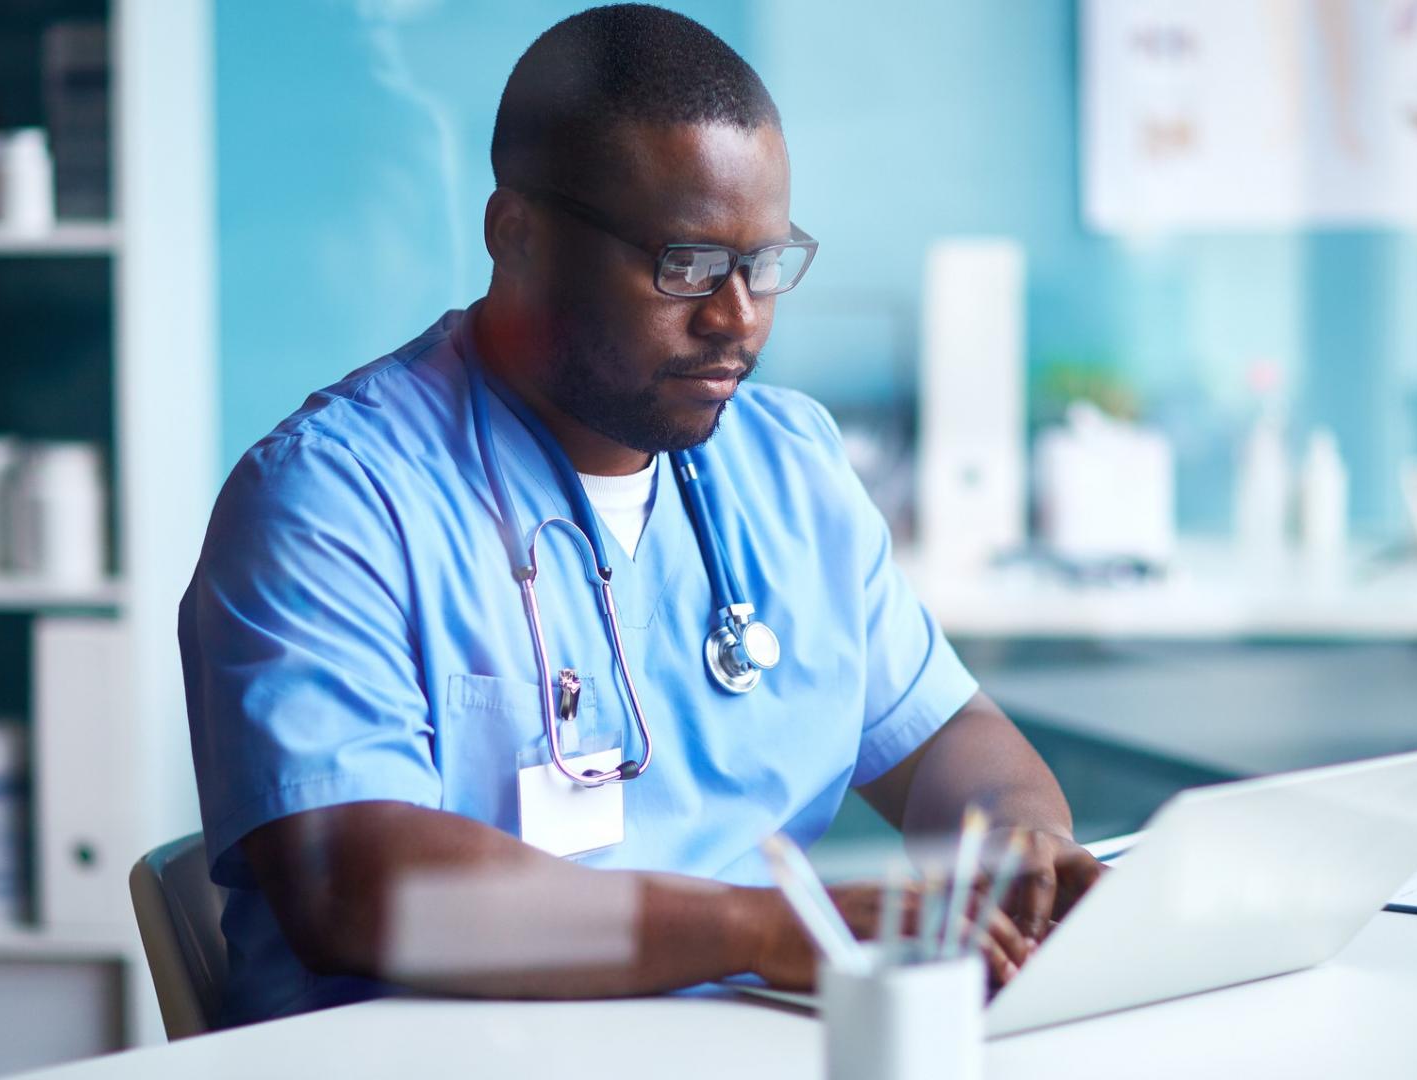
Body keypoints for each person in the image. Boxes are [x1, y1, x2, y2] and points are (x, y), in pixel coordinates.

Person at [180, 3, 1101, 1028]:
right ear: (515, 235)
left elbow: (946, 735)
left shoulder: (788, 467)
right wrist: (771, 934)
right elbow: (357, 890)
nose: (736, 318)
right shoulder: (328, 502)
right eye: (687, 267)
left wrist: (1018, 839)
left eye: (764, 265)